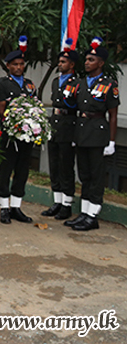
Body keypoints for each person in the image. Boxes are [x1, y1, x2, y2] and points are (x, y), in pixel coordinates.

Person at [65, 38, 119, 231]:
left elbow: (112, 115)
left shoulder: (109, 84)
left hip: (98, 133)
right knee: (84, 175)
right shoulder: (79, 83)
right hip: (81, 132)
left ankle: (93, 215)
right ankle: (84, 213)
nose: (87, 62)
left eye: (91, 59)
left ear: (101, 63)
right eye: (86, 59)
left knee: (96, 176)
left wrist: (111, 141)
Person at [0, 36, 36, 224]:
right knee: (6, 169)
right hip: (9, 133)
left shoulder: (29, 84)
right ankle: (4, 207)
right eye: (15, 64)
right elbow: (1, 110)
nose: (19, 67)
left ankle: (16, 206)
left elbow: (35, 106)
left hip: (26, 135)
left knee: (22, 170)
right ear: (8, 66)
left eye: (21, 64)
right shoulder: (2, 84)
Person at [41, 40, 78, 221]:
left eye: (63, 62)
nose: (60, 64)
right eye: (59, 61)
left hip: (68, 124)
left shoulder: (77, 83)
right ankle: (57, 201)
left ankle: (67, 204)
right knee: (54, 163)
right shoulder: (56, 81)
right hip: (55, 123)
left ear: (72, 64)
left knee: (66, 165)